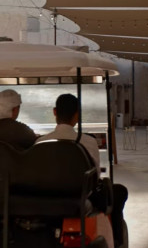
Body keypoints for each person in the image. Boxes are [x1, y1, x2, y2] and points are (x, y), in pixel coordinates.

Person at [37, 94, 127, 247]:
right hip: (79, 197)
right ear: (77, 115)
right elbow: (95, 177)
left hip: (46, 198)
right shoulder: (88, 142)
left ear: (54, 112)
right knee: (119, 191)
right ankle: (117, 241)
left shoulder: (40, 142)